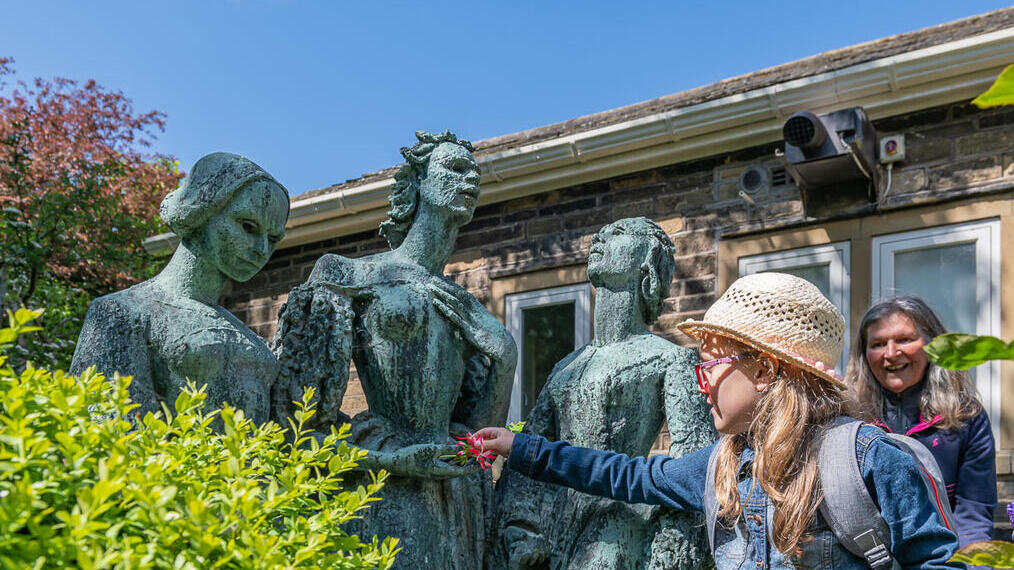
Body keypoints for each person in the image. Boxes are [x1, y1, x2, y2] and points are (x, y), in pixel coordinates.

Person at [477, 273, 962, 569]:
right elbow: (628, 475)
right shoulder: (719, 466)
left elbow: (937, 562)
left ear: (766, 369)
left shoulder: (866, 461)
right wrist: (522, 448)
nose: (700, 382)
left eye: (710, 365)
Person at [275, 131, 516, 570]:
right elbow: (296, 425)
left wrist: (505, 354)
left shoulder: (463, 305)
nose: (470, 181)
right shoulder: (347, 274)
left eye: (475, 174)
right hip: (383, 480)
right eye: (454, 170)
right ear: (419, 181)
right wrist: (394, 462)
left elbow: (480, 436)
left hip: (451, 490)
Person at [490, 218, 715, 570]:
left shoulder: (671, 359)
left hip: (617, 528)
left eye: (619, 234)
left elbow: (695, 466)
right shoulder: (566, 366)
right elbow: (525, 460)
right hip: (553, 528)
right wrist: (520, 526)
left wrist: (669, 551)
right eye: (603, 233)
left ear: (646, 264)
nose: (600, 237)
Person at [70, 152, 289, 426]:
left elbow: (285, 437)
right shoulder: (121, 313)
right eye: (247, 226)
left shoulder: (253, 340)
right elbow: (113, 431)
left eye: (273, 238)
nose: (261, 249)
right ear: (202, 211)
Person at [846, 295, 997, 546]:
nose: (892, 353)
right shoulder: (849, 418)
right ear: (864, 354)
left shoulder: (966, 417)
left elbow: (973, 513)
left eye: (905, 339)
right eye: (879, 344)